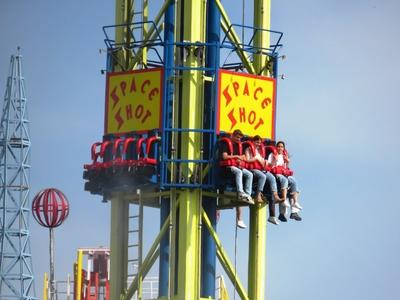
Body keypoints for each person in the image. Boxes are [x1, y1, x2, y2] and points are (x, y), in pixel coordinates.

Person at [220, 129, 254, 229]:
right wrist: (236, 157)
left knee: (249, 174)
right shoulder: (227, 144)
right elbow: (225, 157)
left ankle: (247, 194)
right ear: (233, 136)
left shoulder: (240, 146)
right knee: (239, 172)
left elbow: (243, 157)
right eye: (237, 137)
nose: (238, 139)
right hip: (227, 167)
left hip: (237, 166)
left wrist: (241, 158)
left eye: (240, 138)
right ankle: (240, 192)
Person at [267, 141, 302, 222]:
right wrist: (274, 160)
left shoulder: (284, 156)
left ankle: (294, 207)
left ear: (283, 148)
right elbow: (269, 166)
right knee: (284, 180)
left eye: (281, 147)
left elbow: (286, 168)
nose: (280, 148)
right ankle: (283, 204)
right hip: (276, 174)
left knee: (293, 181)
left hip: (283, 173)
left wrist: (287, 162)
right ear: (276, 147)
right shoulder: (272, 155)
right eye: (278, 146)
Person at [244, 135, 282, 206]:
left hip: (261, 169)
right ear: (253, 142)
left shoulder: (260, 151)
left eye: (259, 142)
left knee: (272, 177)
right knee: (263, 176)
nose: (258, 144)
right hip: (252, 168)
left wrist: (274, 160)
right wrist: (255, 158)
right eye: (257, 142)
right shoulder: (248, 149)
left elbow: (268, 165)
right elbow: (247, 160)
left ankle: (275, 196)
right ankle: (258, 195)